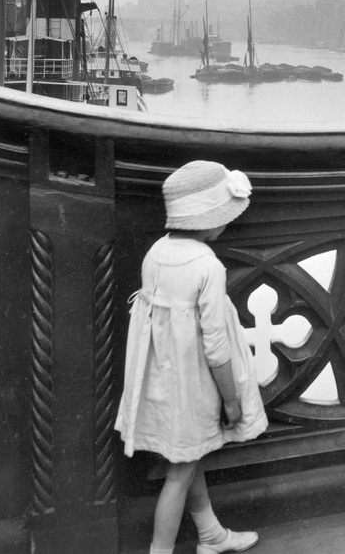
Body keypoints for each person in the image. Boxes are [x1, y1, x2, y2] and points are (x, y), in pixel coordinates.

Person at [116, 160, 267, 554]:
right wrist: (231, 400)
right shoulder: (207, 266)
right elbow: (215, 345)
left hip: (165, 383)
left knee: (188, 456)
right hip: (196, 384)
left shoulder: (156, 253)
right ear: (211, 222)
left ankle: (211, 535)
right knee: (179, 475)